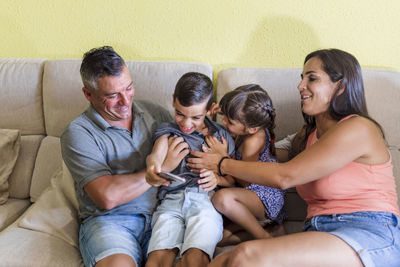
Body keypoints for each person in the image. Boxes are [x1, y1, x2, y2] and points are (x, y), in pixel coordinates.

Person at [188, 48, 400, 267]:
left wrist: (222, 164)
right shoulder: (307, 136)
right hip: (316, 232)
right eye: (302, 78)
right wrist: (213, 126)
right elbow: (268, 158)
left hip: (366, 232)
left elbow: (285, 176)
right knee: (222, 261)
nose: (300, 86)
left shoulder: (358, 128)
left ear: (341, 86)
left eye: (312, 78)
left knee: (247, 255)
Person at [61, 46, 175, 267]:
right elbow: (107, 196)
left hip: (164, 215)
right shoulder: (78, 132)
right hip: (111, 223)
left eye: (129, 88)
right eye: (113, 95)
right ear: (88, 94)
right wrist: (160, 170)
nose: (125, 101)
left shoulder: (155, 113)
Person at [145, 72, 235, 267]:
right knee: (157, 260)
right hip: (170, 202)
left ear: (211, 109)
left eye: (196, 117)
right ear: (173, 101)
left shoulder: (221, 136)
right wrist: (152, 167)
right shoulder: (167, 129)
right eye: (180, 114)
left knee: (195, 259)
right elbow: (156, 155)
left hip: (205, 202)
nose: (186, 124)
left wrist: (217, 179)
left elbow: (233, 181)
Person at [204, 84, 286, 246]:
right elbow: (252, 95)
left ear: (251, 128)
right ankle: (273, 230)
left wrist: (224, 157)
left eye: (230, 121)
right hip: (248, 195)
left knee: (221, 199)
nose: (224, 121)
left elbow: (246, 181)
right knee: (215, 238)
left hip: (262, 195)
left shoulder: (253, 141)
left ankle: (264, 237)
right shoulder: (249, 124)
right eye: (224, 116)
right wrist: (217, 113)